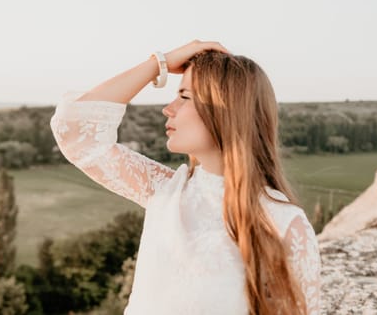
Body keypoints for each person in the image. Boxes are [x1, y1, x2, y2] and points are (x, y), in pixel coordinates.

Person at [50, 40, 322, 315]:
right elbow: (73, 132)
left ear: (226, 110)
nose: (168, 108)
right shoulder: (165, 191)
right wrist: (159, 62)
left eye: (184, 96)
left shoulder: (283, 225)